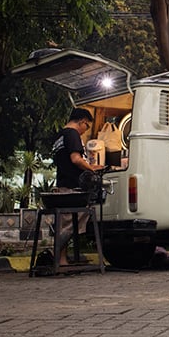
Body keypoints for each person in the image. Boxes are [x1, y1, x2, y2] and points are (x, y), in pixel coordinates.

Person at [52, 108, 103, 265]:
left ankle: (62, 259)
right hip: (72, 187)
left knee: (64, 223)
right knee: (68, 225)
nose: (85, 131)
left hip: (62, 184)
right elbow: (75, 159)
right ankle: (59, 259)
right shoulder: (72, 134)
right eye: (86, 127)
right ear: (82, 121)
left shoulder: (59, 136)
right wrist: (91, 168)